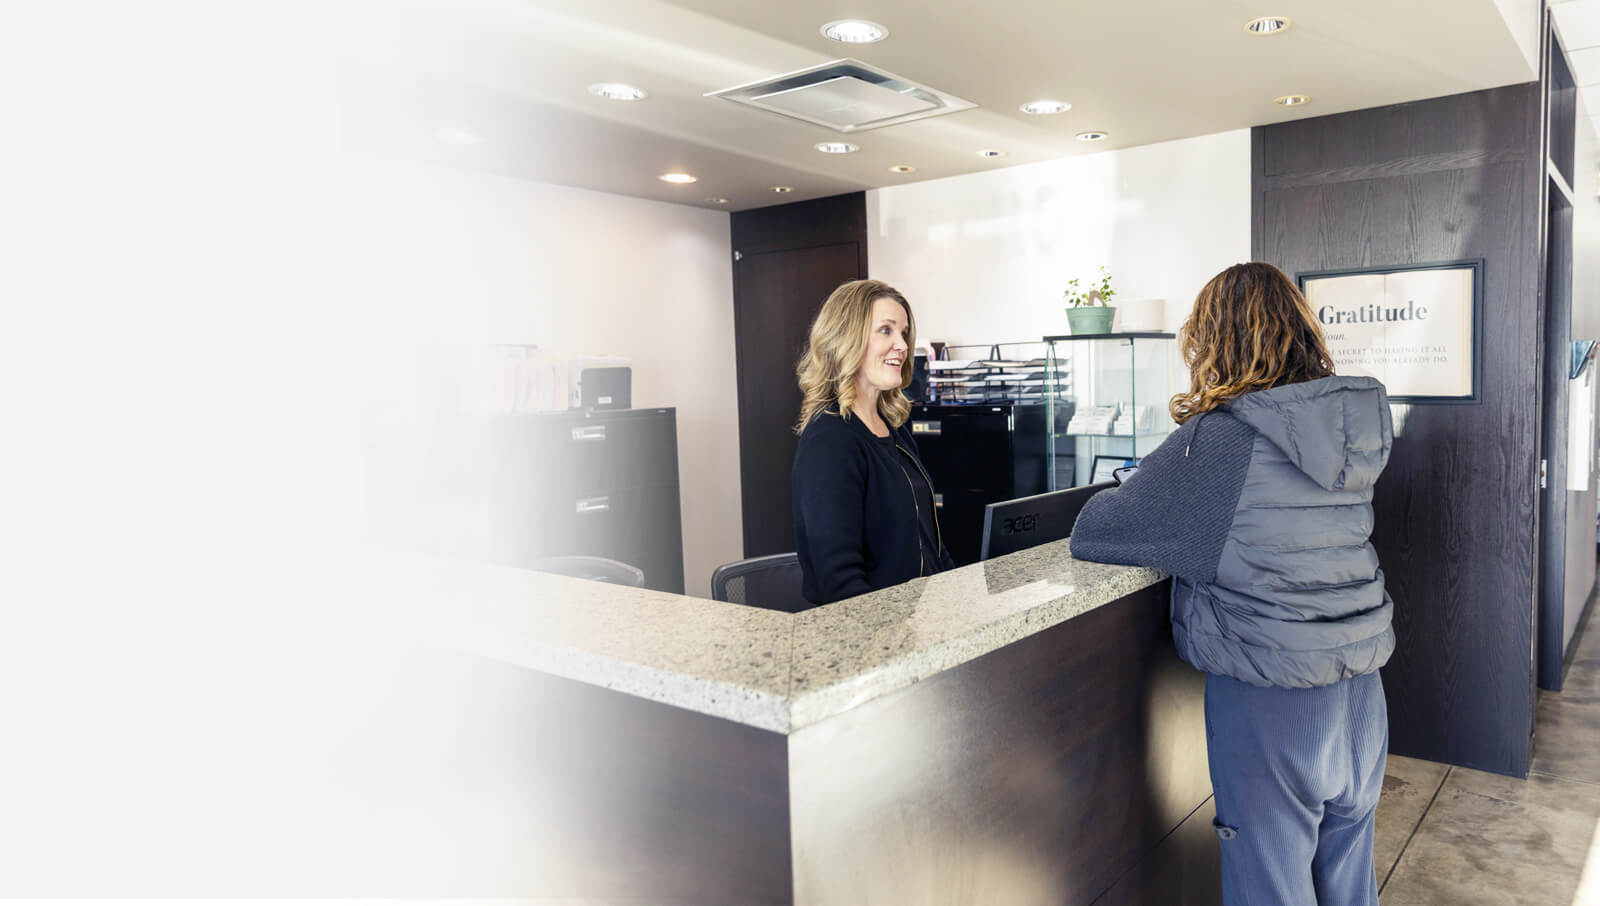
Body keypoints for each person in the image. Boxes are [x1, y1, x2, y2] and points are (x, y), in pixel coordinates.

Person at [1069, 262, 1395, 905]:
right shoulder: (1351, 425)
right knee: (1349, 885)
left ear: (1218, 341)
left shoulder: (1223, 440)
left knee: (1270, 889)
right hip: (1361, 692)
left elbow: (1096, 531)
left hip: (1273, 698)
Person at [791, 279, 955, 605]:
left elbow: (929, 543)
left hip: (921, 620)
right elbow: (839, 581)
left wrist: (957, 597)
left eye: (903, 333)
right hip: (872, 638)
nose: (903, 345)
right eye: (886, 331)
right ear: (846, 338)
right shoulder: (830, 441)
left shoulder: (895, 431)